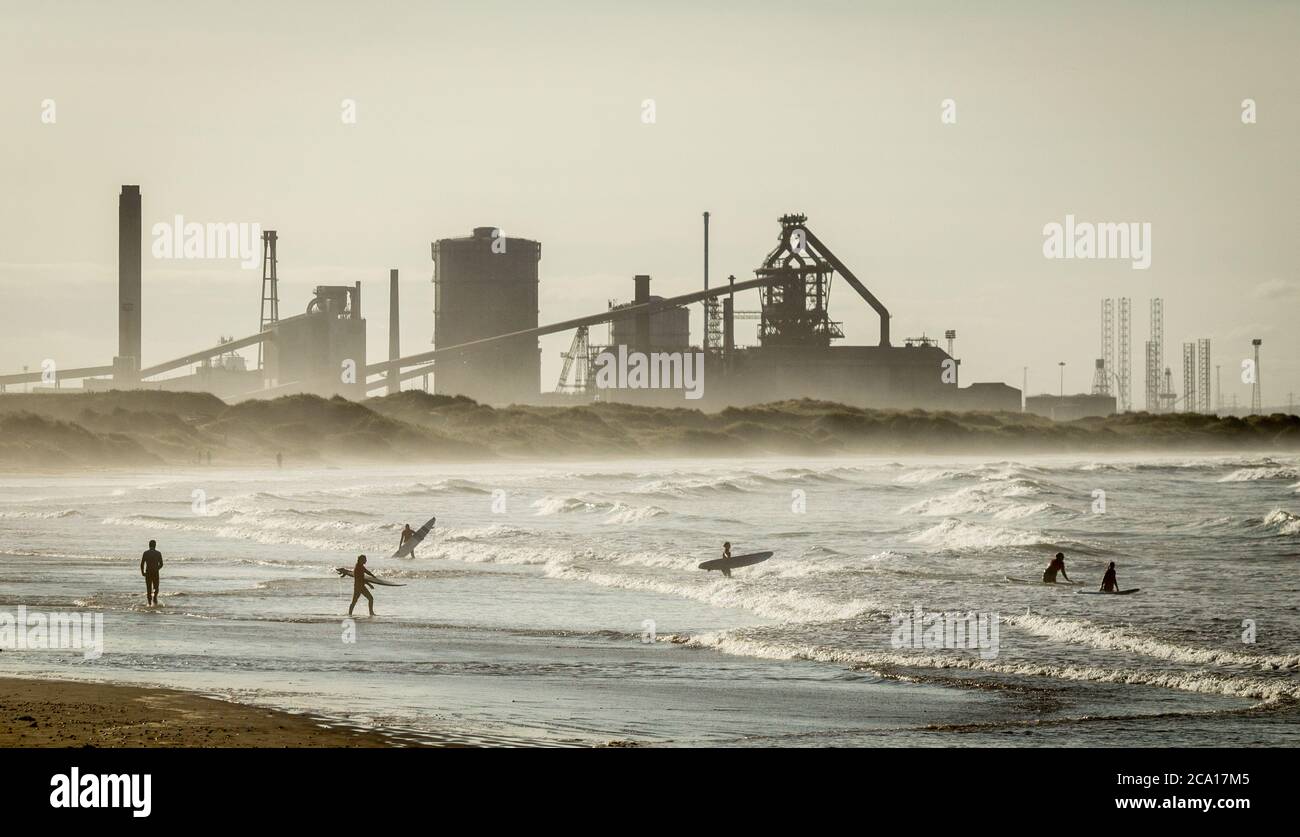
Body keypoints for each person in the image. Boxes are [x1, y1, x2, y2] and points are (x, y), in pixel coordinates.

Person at [140, 540, 163, 606]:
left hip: (148, 572)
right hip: (155, 573)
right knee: (156, 587)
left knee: (148, 588)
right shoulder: (158, 553)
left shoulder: (146, 553)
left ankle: (149, 603)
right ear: (155, 545)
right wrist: (156, 568)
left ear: (149, 545)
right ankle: (155, 597)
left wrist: (142, 572)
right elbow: (161, 564)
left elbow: (142, 564)